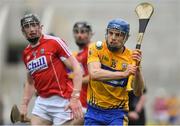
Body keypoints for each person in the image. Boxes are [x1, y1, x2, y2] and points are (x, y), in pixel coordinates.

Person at [19, 13, 83, 125]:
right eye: (27, 26)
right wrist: (24, 105)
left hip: (62, 100)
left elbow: (77, 68)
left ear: (41, 27)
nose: (32, 29)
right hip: (42, 102)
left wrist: (75, 97)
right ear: (23, 31)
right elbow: (30, 82)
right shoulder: (26, 53)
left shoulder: (54, 42)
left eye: (34, 25)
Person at [85, 18, 144, 125]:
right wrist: (123, 74)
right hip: (94, 110)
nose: (113, 38)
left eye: (118, 35)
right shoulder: (96, 48)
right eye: (110, 33)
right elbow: (94, 74)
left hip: (117, 113)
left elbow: (138, 92)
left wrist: (138, 70)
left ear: (125, 37)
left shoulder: (131, 58)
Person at [63, 21, 93, 125]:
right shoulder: (75, 55)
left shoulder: (92, 51)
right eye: (76, 32)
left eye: (83, 32)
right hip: (79, 103)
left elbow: (94, 77)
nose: (79, 35)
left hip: (91, 105)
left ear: (91, 34)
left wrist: (74, 79)